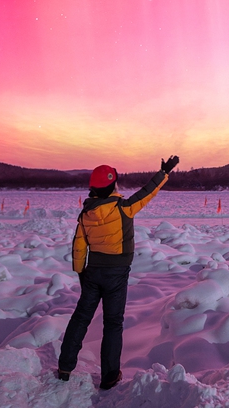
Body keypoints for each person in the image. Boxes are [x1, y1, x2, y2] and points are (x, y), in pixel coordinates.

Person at [57, 155, 179, 389]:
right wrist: (164, 173)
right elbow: (147, 193)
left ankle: (65, 366)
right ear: (112, 185)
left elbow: (79, 244)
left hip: (92, 272)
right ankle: (110, 376)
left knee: (81, 318)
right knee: (113, 323)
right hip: (116, 274)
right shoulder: (123, 208)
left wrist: (81, 271)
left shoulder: (86, 214)